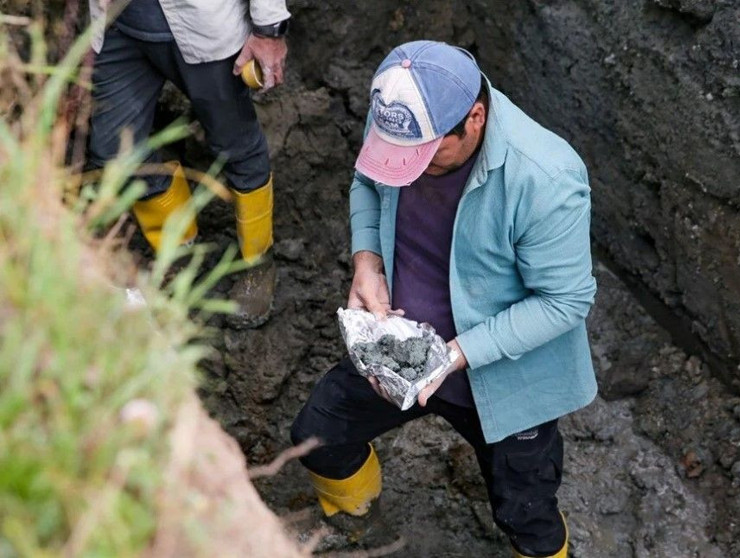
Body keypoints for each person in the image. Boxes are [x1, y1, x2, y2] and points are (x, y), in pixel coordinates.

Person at [290, 40, 598, 557]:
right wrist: (367, 258)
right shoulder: (400, 117)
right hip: (400, 343)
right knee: (318, 435)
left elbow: (565, 302)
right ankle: (360, 524)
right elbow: (367, 180)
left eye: (425, 159)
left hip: (505, 380)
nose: (408, 170)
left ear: (474, 119)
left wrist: (453, 356)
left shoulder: (545, 178)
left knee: (525, 513)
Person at [86, 0, 292, 328]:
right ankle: (178, 250)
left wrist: (269, 30)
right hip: (117, 26)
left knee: (234, 145)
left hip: (205, 26)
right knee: (114, 152)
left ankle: (257, 262)